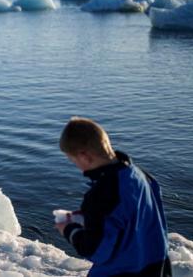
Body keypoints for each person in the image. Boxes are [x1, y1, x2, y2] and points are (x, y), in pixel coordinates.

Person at [55, 117, 170, 277]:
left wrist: (69, 229)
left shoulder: (102, 194)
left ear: (84, 156)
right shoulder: (140, 176)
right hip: (156, 266)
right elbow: (134, 216)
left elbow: (95, 250)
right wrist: (88, 217)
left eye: (73, 160)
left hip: (122, 271)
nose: (77, 166)